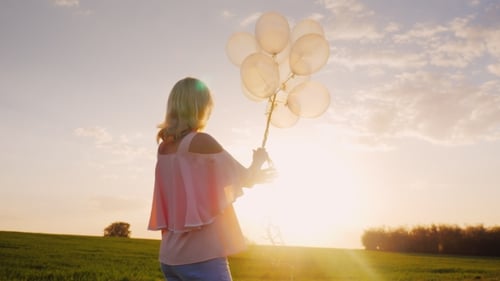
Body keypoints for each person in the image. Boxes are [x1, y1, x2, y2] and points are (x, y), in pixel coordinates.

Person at [148, 77, 274, 281]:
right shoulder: (201, 142)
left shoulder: (163, 149)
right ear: (200, 108)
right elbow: (243, 178)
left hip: (169, 258)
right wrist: (258, 161)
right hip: (201, 257)